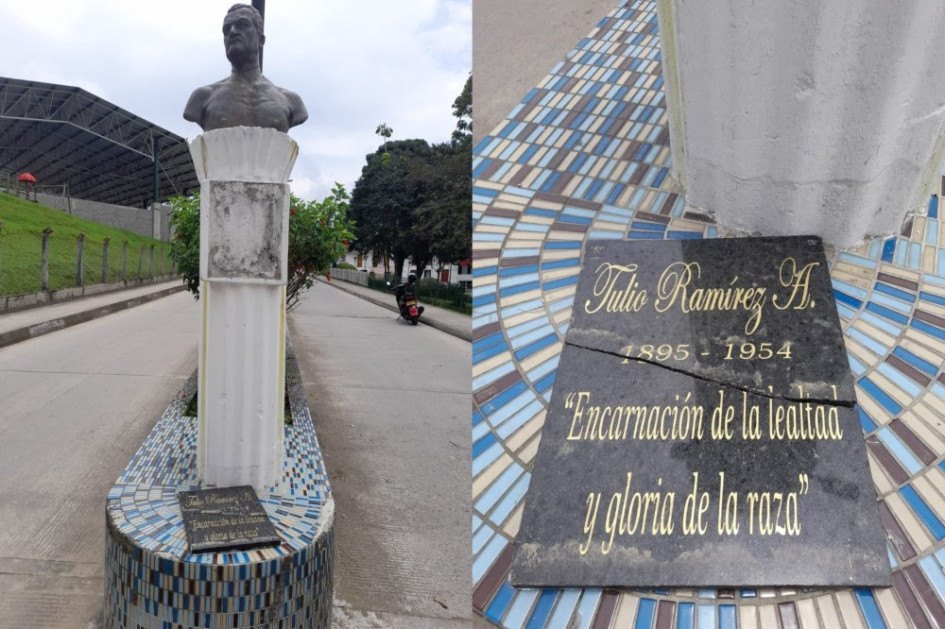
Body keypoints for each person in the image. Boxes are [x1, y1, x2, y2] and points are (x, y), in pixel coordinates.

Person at [183, 4, 308, 132]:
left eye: (242, 25)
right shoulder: (204, 97)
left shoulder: (290, 100)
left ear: (261, 40)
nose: (232, 32)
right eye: (226, 30)